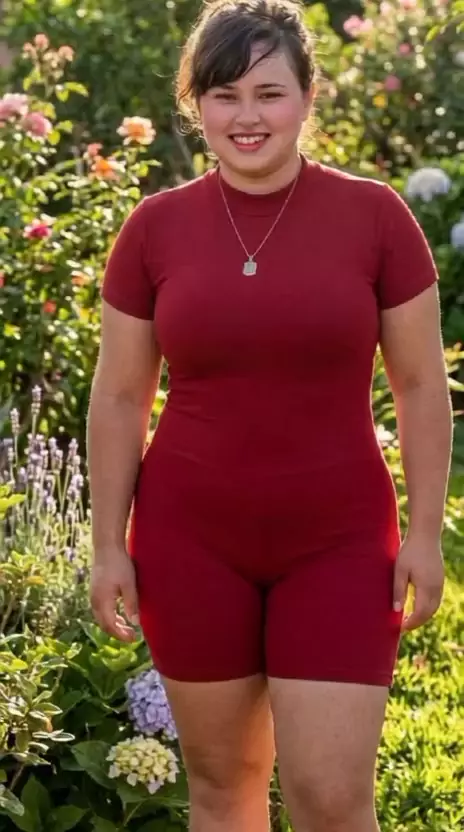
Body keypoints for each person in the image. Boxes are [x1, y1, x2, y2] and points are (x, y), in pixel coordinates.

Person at [87, 1, 452, 830]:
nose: (246, 116)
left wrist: (426, 532)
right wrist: (108, 545)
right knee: (222, 791)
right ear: (197, 105)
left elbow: (421, 385)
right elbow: (119, 396)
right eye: (224, 95)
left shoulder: (377, 219)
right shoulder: (153, 229)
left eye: (268, 92)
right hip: (189, 541)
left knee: (332, 798)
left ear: (308, 97)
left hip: (338, 541)